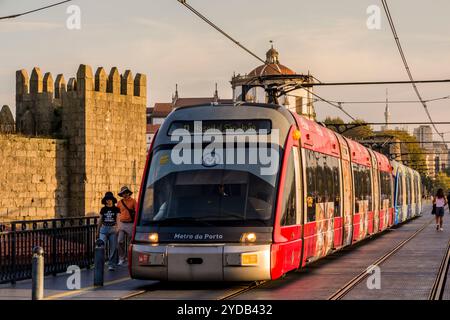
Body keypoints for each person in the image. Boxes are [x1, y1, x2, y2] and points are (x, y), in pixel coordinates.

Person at [98, 192, 120, 271]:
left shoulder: (116, 209)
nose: (108, 201)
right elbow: (100, 220)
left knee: (113, 248)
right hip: (103, 229)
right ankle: (100, 263)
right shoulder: (103, 209)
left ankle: (111, 264)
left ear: (113, 200)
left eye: (110, 199)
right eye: (107, 200)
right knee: (101, 246)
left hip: (112, 229)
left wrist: (118, 228)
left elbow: (118, 219)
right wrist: (98, 230)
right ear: (105, 201)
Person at [117, 186, 137, 265]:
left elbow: (136, 211)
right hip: (122, 223)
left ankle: (129, 258)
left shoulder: (133, 201)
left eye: (125, 193)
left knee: (130, 243)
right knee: (120, 241)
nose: (124, 194)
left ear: (128, 193)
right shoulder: (119, 203)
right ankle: (122, 257)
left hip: (130, 224)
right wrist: (117, 224)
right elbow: (117, 214)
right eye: (123, 193)